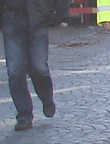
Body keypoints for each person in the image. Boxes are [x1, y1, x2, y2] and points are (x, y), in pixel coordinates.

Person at [0, 0, 69, 131]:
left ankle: (46, 97)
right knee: (15, 70)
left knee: (39, 67)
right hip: (11, 17)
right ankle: (24, 115)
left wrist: (63, 14)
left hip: (38, 19)